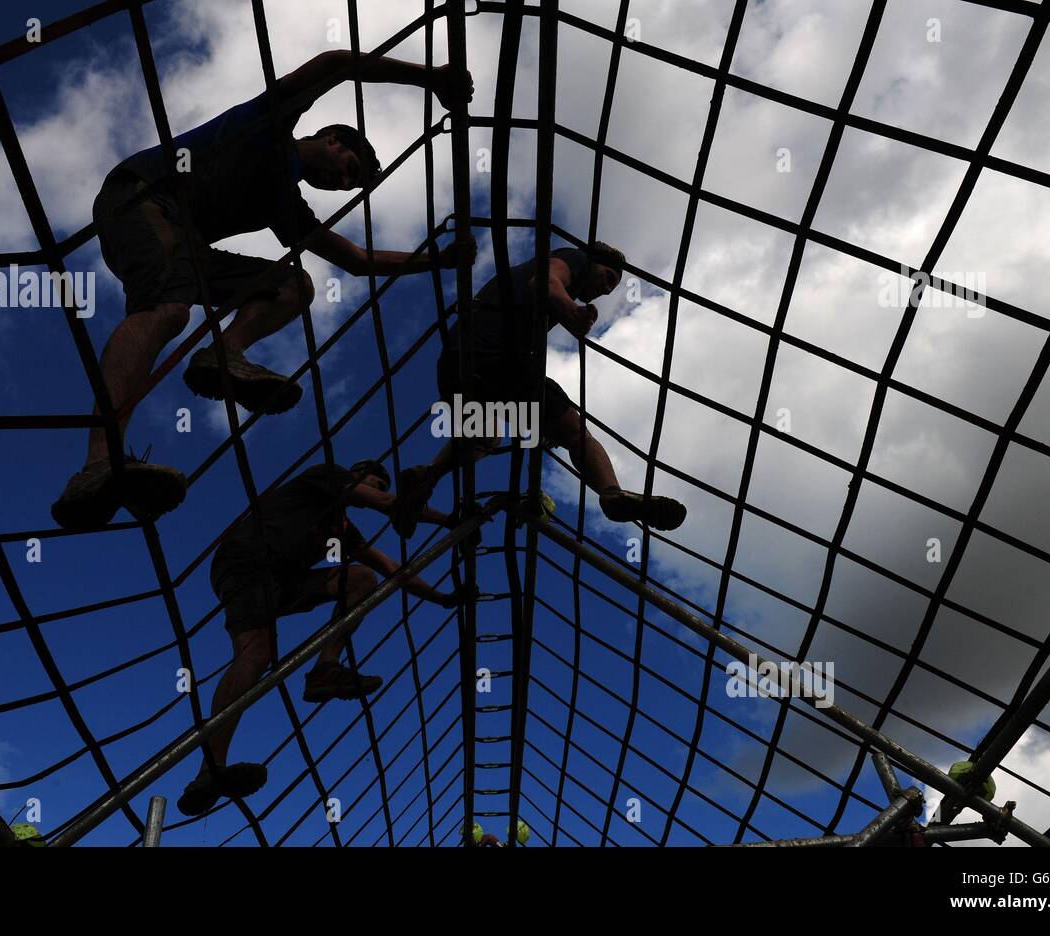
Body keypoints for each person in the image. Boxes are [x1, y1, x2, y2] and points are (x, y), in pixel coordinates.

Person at [52, 51, 478, 530]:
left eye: (349, 186)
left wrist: (437, 260)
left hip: (185, 242)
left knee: (293, 285)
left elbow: (357, 260)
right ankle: (98, 464)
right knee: (169, 309)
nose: (341, 183)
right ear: (331, 139)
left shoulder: (285, 204)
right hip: (142, 197)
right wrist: (432, 78)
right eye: (349, 169)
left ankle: (223, 355)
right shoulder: (269, 122)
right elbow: (335, 63)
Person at [176, 459, 471, 816]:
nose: (379, 490)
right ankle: (210, 769)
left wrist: (442, 599)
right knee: (256, 655)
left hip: (285, 579)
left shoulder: (342, 527)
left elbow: (391, 569)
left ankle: (324, 669)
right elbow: (389, 505)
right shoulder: (328, 475)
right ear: (359, 474)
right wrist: (449, 519)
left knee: (362, 579)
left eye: (382, 486)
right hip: (250, 559)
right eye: (376, 482)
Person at [393, 243, 686, 535]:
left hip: (455, 366)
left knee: (485, 437)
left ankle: (426, 478)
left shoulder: (540, 283)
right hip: (498, 358)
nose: (607, 289)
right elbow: (544, 282)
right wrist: (572, 313)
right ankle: (611, 493)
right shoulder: (574, 259)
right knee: (574, 430)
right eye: (608, 277)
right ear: (592, 261)